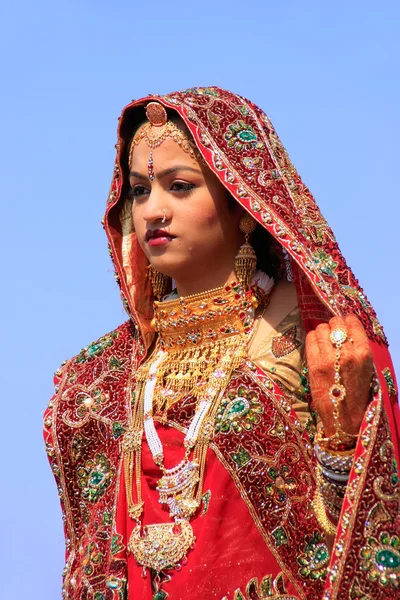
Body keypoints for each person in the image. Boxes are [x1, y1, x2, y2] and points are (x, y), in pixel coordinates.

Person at [44, 87, 399, 600]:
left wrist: (343, 442)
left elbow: (362, 523)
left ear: (245, 207)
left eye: (180, 186)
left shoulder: (317, 333)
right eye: (140, 191)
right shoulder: (105, 374)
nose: (153, 211)